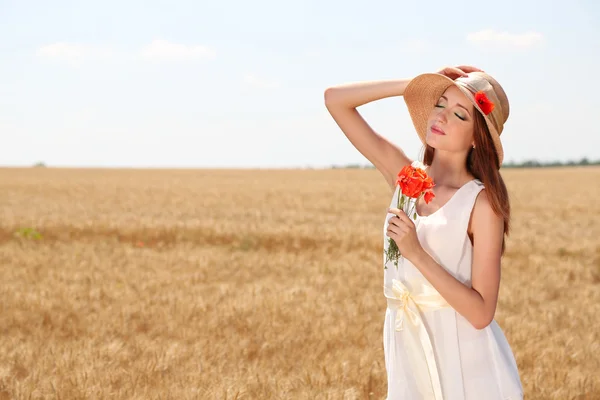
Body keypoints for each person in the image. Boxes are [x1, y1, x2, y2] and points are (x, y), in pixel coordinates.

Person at [324, 65, 524, 399]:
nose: (441, 117)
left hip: (463, 356)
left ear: (477, 137)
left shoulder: (482, 203)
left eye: (459, 115)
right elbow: (335, 100)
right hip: (407, 342)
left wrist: (415, 253)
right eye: (439, 103)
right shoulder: (405, 177)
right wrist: (413, 85)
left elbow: (481, 313)